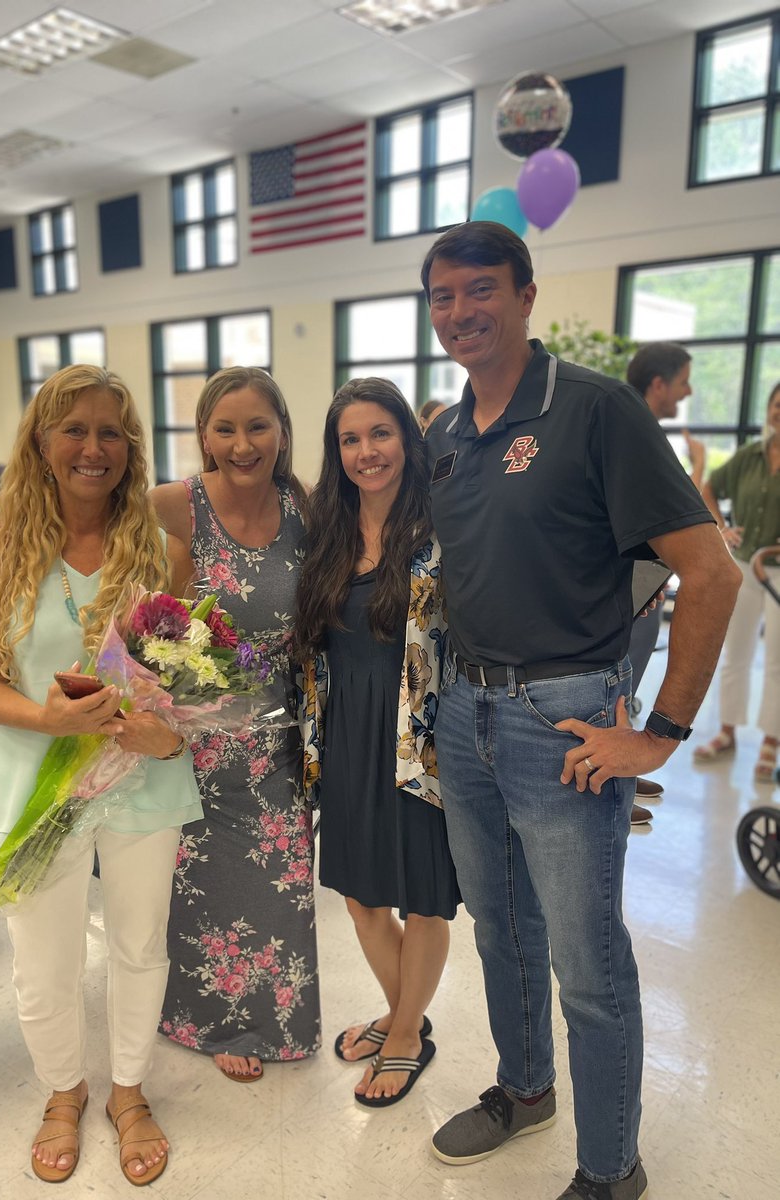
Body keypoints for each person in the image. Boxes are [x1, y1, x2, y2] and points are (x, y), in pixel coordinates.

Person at [420, 222, 740, 1200]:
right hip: (463, 711)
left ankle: (612, 1166)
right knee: (498, 930)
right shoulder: (443, 433)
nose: (462, 312)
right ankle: (525, 1091)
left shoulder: (596, 411)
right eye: (443, 298)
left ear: (523, 294)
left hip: (561, 724)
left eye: (481, 290)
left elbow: (710, 572)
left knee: (588, 964)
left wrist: (659, 733)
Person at [0, 364, 202, 1186]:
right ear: (41, 439)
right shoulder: (0, 548)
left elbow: (192, 678)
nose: (93, 448)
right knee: (44, 961)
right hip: (37, 786)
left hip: (141, 783)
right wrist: (49, 719)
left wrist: (163, 739)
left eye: (111, 431)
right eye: (75, 428)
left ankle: (127, 1093)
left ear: (130, 448)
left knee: (140, 946)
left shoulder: (164, 551)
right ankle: (63, 1091)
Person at [151, 366, 321, 1080]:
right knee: (206, 878)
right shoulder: (176, 504)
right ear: (203, 435)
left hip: (283, 731)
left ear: (282, 431)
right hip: (201, 726)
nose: (242, 443)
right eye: (225, 428)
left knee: (284, 872)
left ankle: (274, 1019)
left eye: (258, 426)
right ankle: (213, 1019)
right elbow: (77, 517)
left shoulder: (306, 508)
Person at [294, 377, 459, 1106]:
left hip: (421, 741)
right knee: (362, 896)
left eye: (380, 434)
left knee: (423, 897)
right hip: (347, 737)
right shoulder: (324, 531)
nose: (367, 452)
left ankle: (401, 1035)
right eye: (350, 439)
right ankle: (407, 1019)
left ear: (406, 439)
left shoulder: (445, 527)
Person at [624, 342, 704, 821]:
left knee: (628, 679)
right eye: (682, 381)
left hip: (646, 583)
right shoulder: (634, 433)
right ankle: (614, 783)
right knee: (618, 681)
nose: (688, 390)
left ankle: (623, 777)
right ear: (658, 385)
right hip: (634, 587)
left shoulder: (638, 430)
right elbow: (677, 513)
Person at [693, 381, 780, 782]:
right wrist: (722, 527)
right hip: (744, 566)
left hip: (777, 571)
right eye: (776, 405)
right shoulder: (749, 457)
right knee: (735, 653)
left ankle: (770, 744)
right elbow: (710, 488)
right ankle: (726, 732)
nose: (778, 412)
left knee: (777, 662)